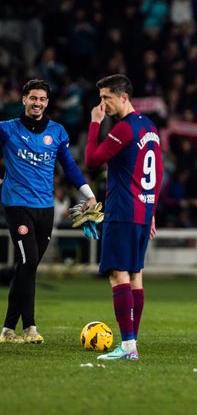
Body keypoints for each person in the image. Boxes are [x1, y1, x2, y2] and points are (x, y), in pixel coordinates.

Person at [0, 79, 97, 344]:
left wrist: (89, 195)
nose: (37, 103)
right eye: (33, 98)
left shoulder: (57, 132)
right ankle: (30, 327)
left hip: (46, 208)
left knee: (26, 268)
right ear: (23, 99)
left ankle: (8, 330)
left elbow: (70, 168)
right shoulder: (6, 129)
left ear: (47, 102)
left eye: (42, 99)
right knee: (29, 263)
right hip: (17, 205)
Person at [85, 74, 163, 361]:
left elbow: (92, 160)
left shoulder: (125, 129)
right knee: (135, 276)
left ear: (123, 97)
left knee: (118, 275)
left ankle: (128, 346)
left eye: (106, 97)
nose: (102, 103)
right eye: (101, 98)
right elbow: (160, 172)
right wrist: (152, 211)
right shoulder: (150, 127)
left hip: (122, 211)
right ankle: (132, 343)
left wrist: (95, 123)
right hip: (142, 212)